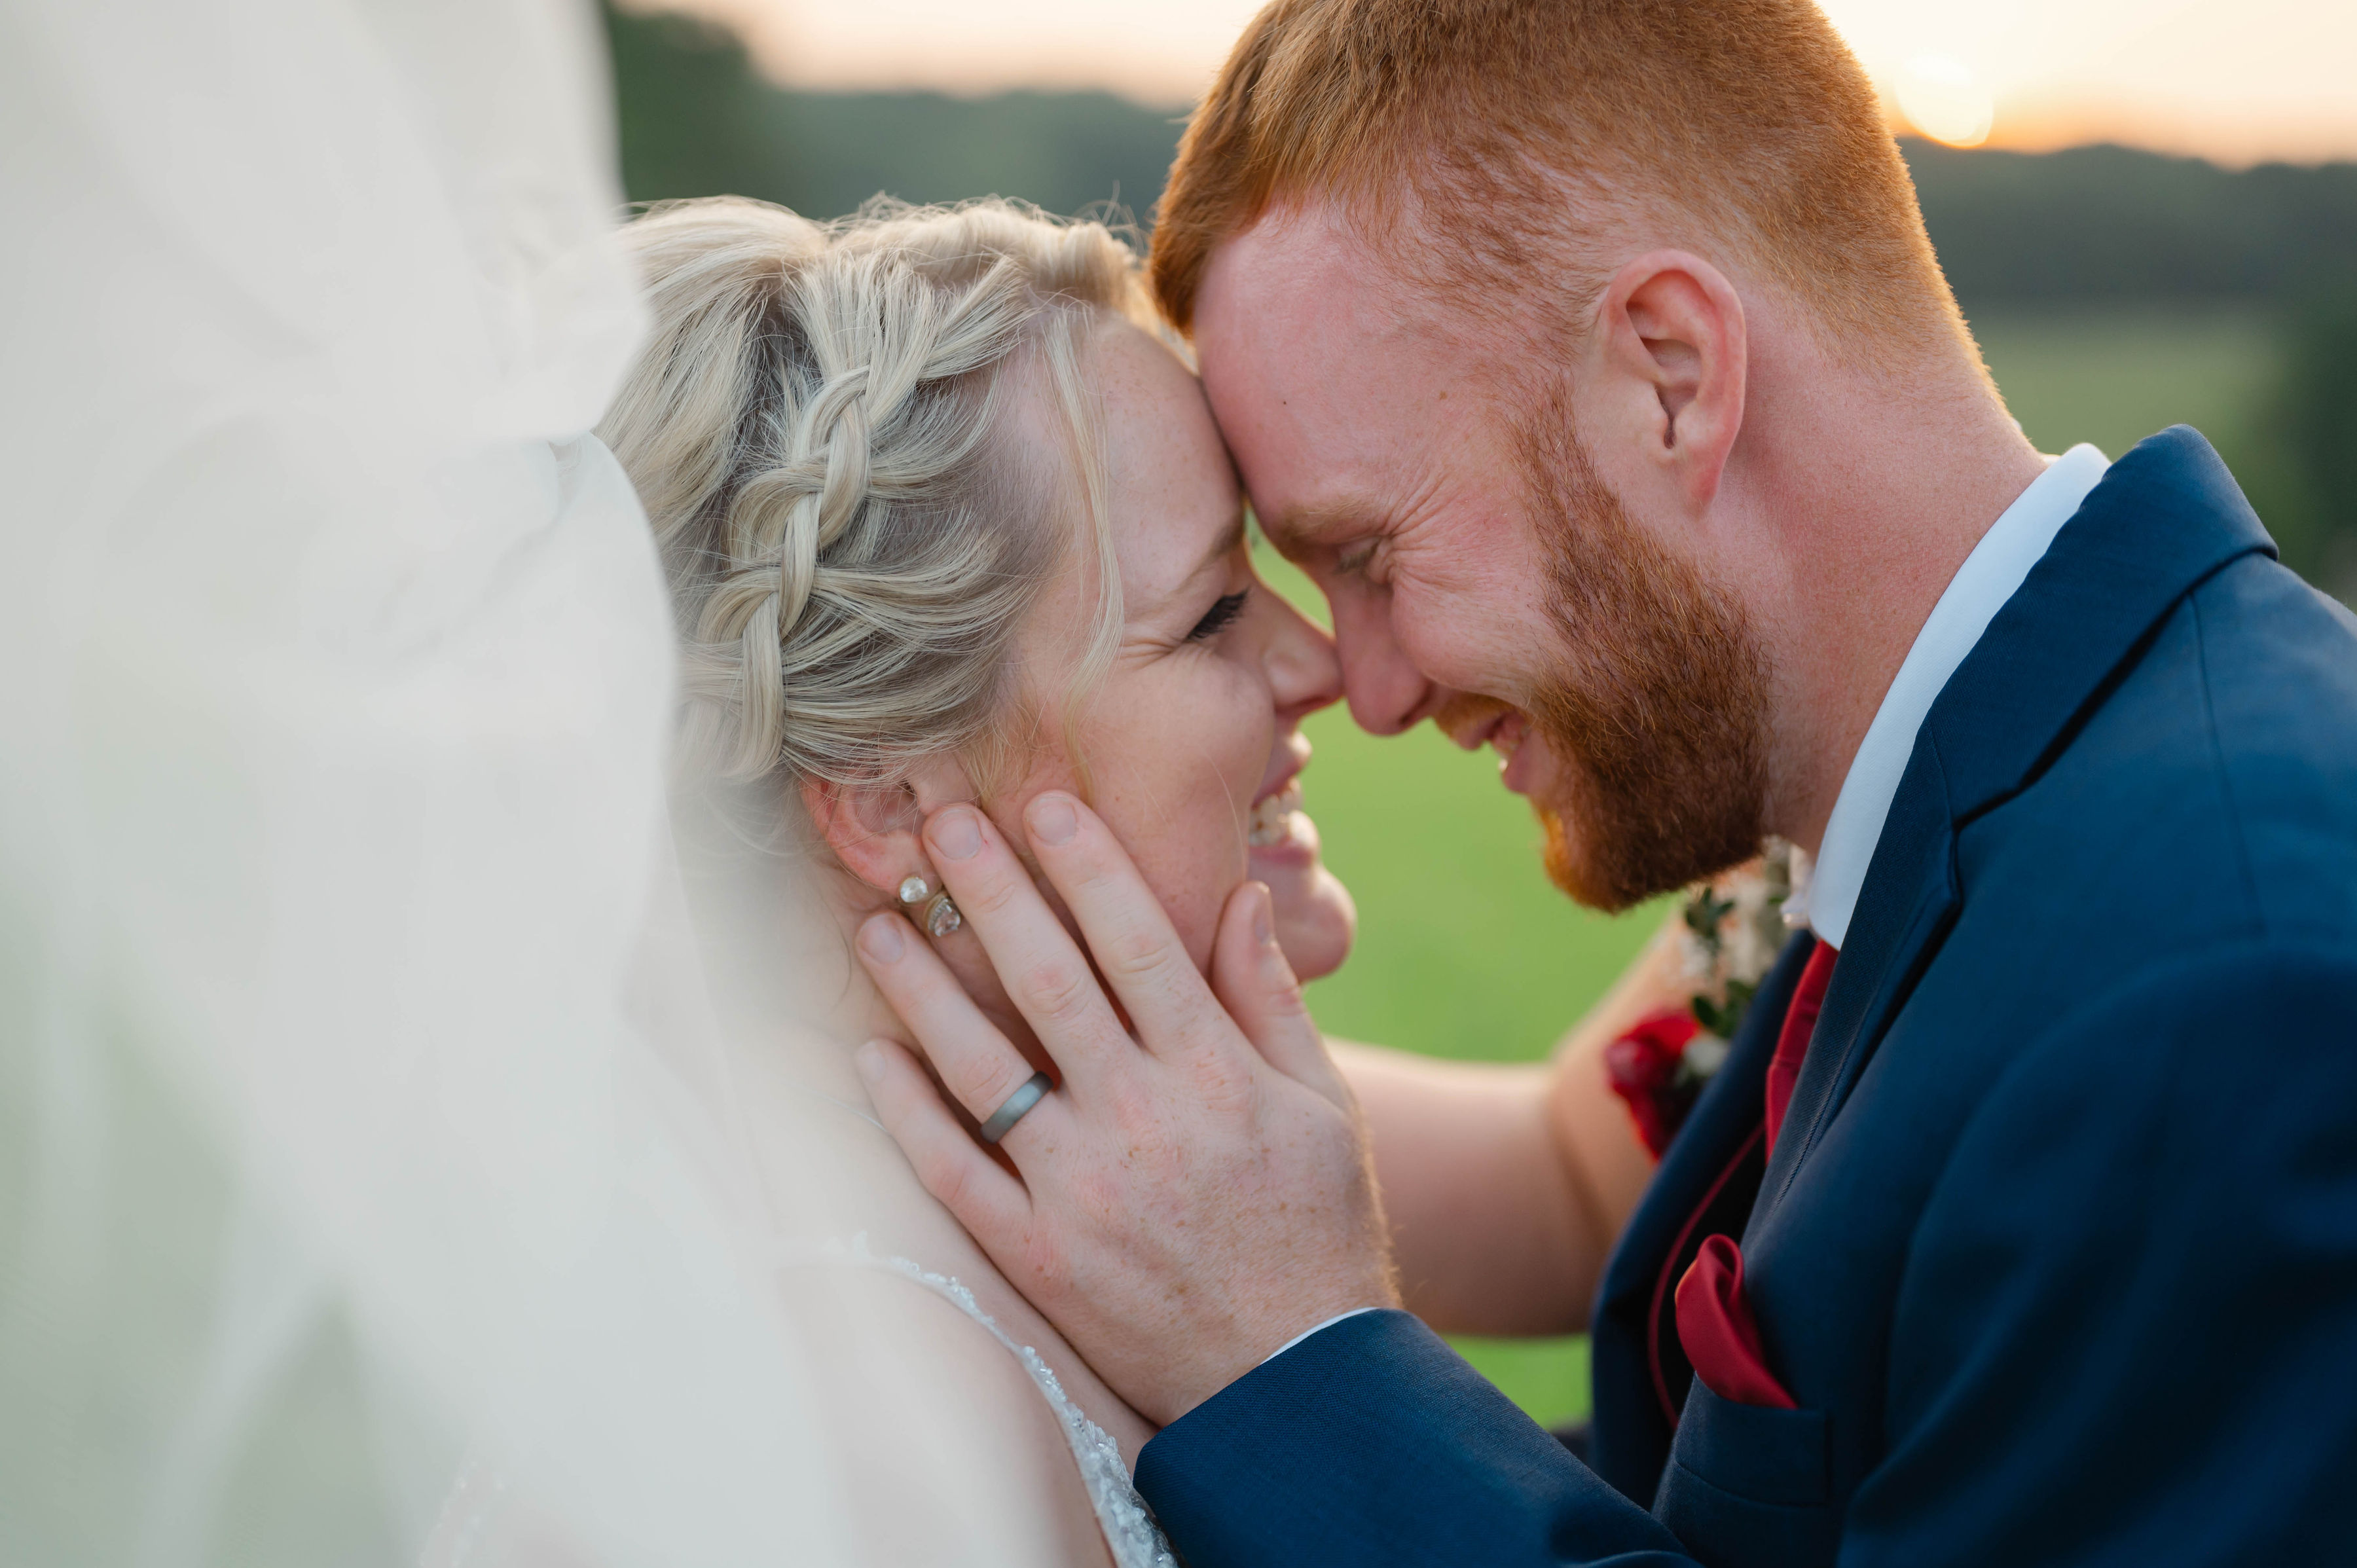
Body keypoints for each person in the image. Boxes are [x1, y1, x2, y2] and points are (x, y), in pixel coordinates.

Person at [853, 1, 2357, 1564]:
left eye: (1369, 554)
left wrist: (1290, 1364)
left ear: (1669, 377)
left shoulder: (2222, 994)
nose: (1364, 689)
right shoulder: (1996, 821)